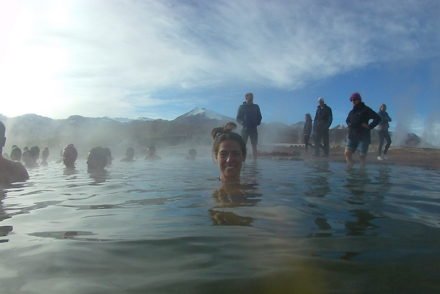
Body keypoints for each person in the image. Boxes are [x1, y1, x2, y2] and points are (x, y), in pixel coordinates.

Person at [345, 92, 381, 168]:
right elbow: (347, 120)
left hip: (363, 136)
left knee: (362, 156)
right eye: (352, 100)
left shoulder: (366, 109)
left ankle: (362, 173)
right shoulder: (352, 112)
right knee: (347, 153)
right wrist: (349, 124)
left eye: (354, 99)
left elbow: (378, 118)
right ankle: (351, 166)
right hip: (352, 135)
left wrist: (370, 126)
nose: (353, 101)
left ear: (359, 100)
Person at [236, 92, 262, 160]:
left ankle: (255, 162)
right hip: (245, 129)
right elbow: (238, 118)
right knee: (243, 145)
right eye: (250, 96)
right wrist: (243, 123)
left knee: (254, 146)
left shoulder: (256, 106)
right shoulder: (242, 107)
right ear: (246, 97)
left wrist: (257, 123)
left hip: (253, 129)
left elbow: (259, 116)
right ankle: (242, 160)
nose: (252, 98)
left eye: (252, 96)